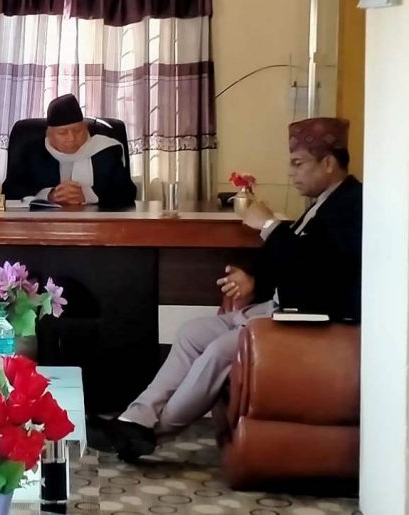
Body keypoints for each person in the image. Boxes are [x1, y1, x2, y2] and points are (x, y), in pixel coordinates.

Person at [95, 117, 363, 461]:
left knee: (220, 351)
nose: (291, 174)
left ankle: (150, 433)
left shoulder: (353, 206)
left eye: (298, 164)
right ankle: (136, 417)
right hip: (278, 308)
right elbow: (295, 265)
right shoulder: (322, 203)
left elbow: (319, 269)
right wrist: (254, 281)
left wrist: (270, 225)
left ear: (328, 163)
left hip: (312, 319)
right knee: (192, 332)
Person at [2, 93, 137, 207]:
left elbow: (127, 193)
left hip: (98, 225)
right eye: (62, 133)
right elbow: (10, 191)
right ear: (49, 135)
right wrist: (49, 195)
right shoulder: (31, 152)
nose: (72, 138)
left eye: (77, 131)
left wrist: (86, 195)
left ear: (85, 128)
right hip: (43, 225)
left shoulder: (106, 150)